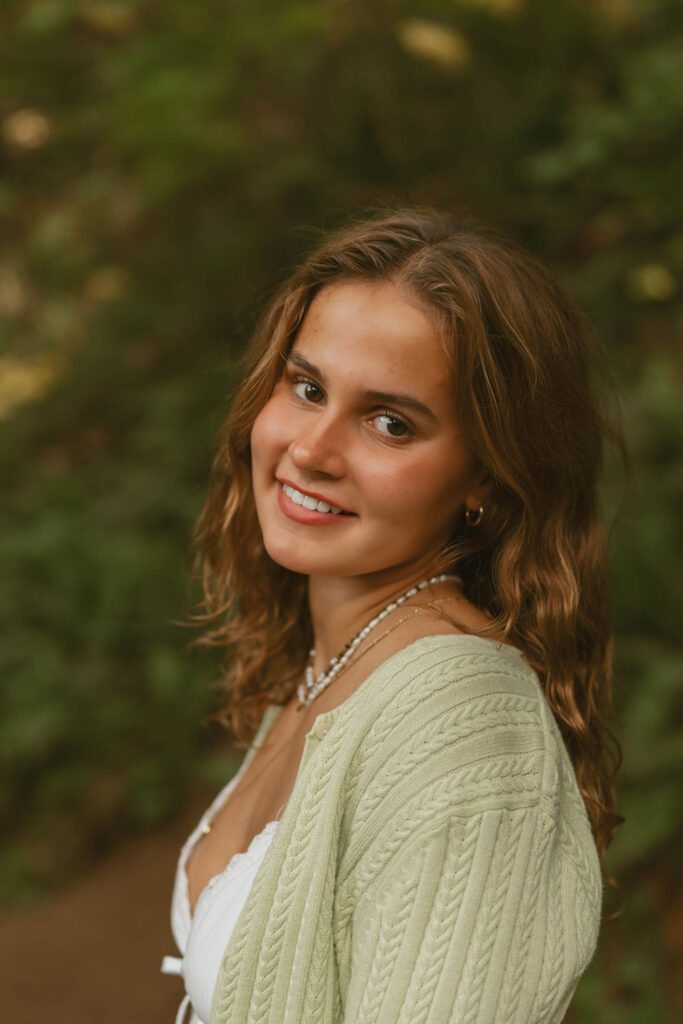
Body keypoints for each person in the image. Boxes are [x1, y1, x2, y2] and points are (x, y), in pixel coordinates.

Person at [161, 208, 621, 1024]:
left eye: (389, 422)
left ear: (486, 475)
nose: (311, 449)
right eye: (306, 388)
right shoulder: (329, 671)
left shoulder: (460, 721)